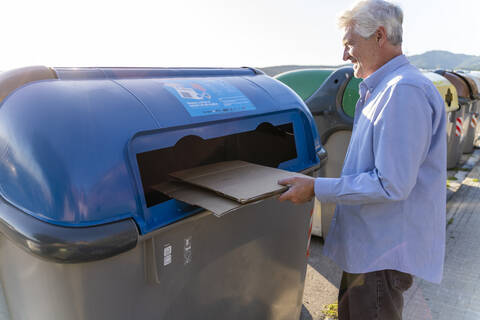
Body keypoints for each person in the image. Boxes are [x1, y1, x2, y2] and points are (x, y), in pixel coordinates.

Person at [278, 1, 446, 319]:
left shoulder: (403, 92)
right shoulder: (383, 90)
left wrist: (316, 187)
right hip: (369, 253)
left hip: (380, 258)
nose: (345, 56)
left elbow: (390, 183)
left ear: (379, 36)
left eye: (349, 44)